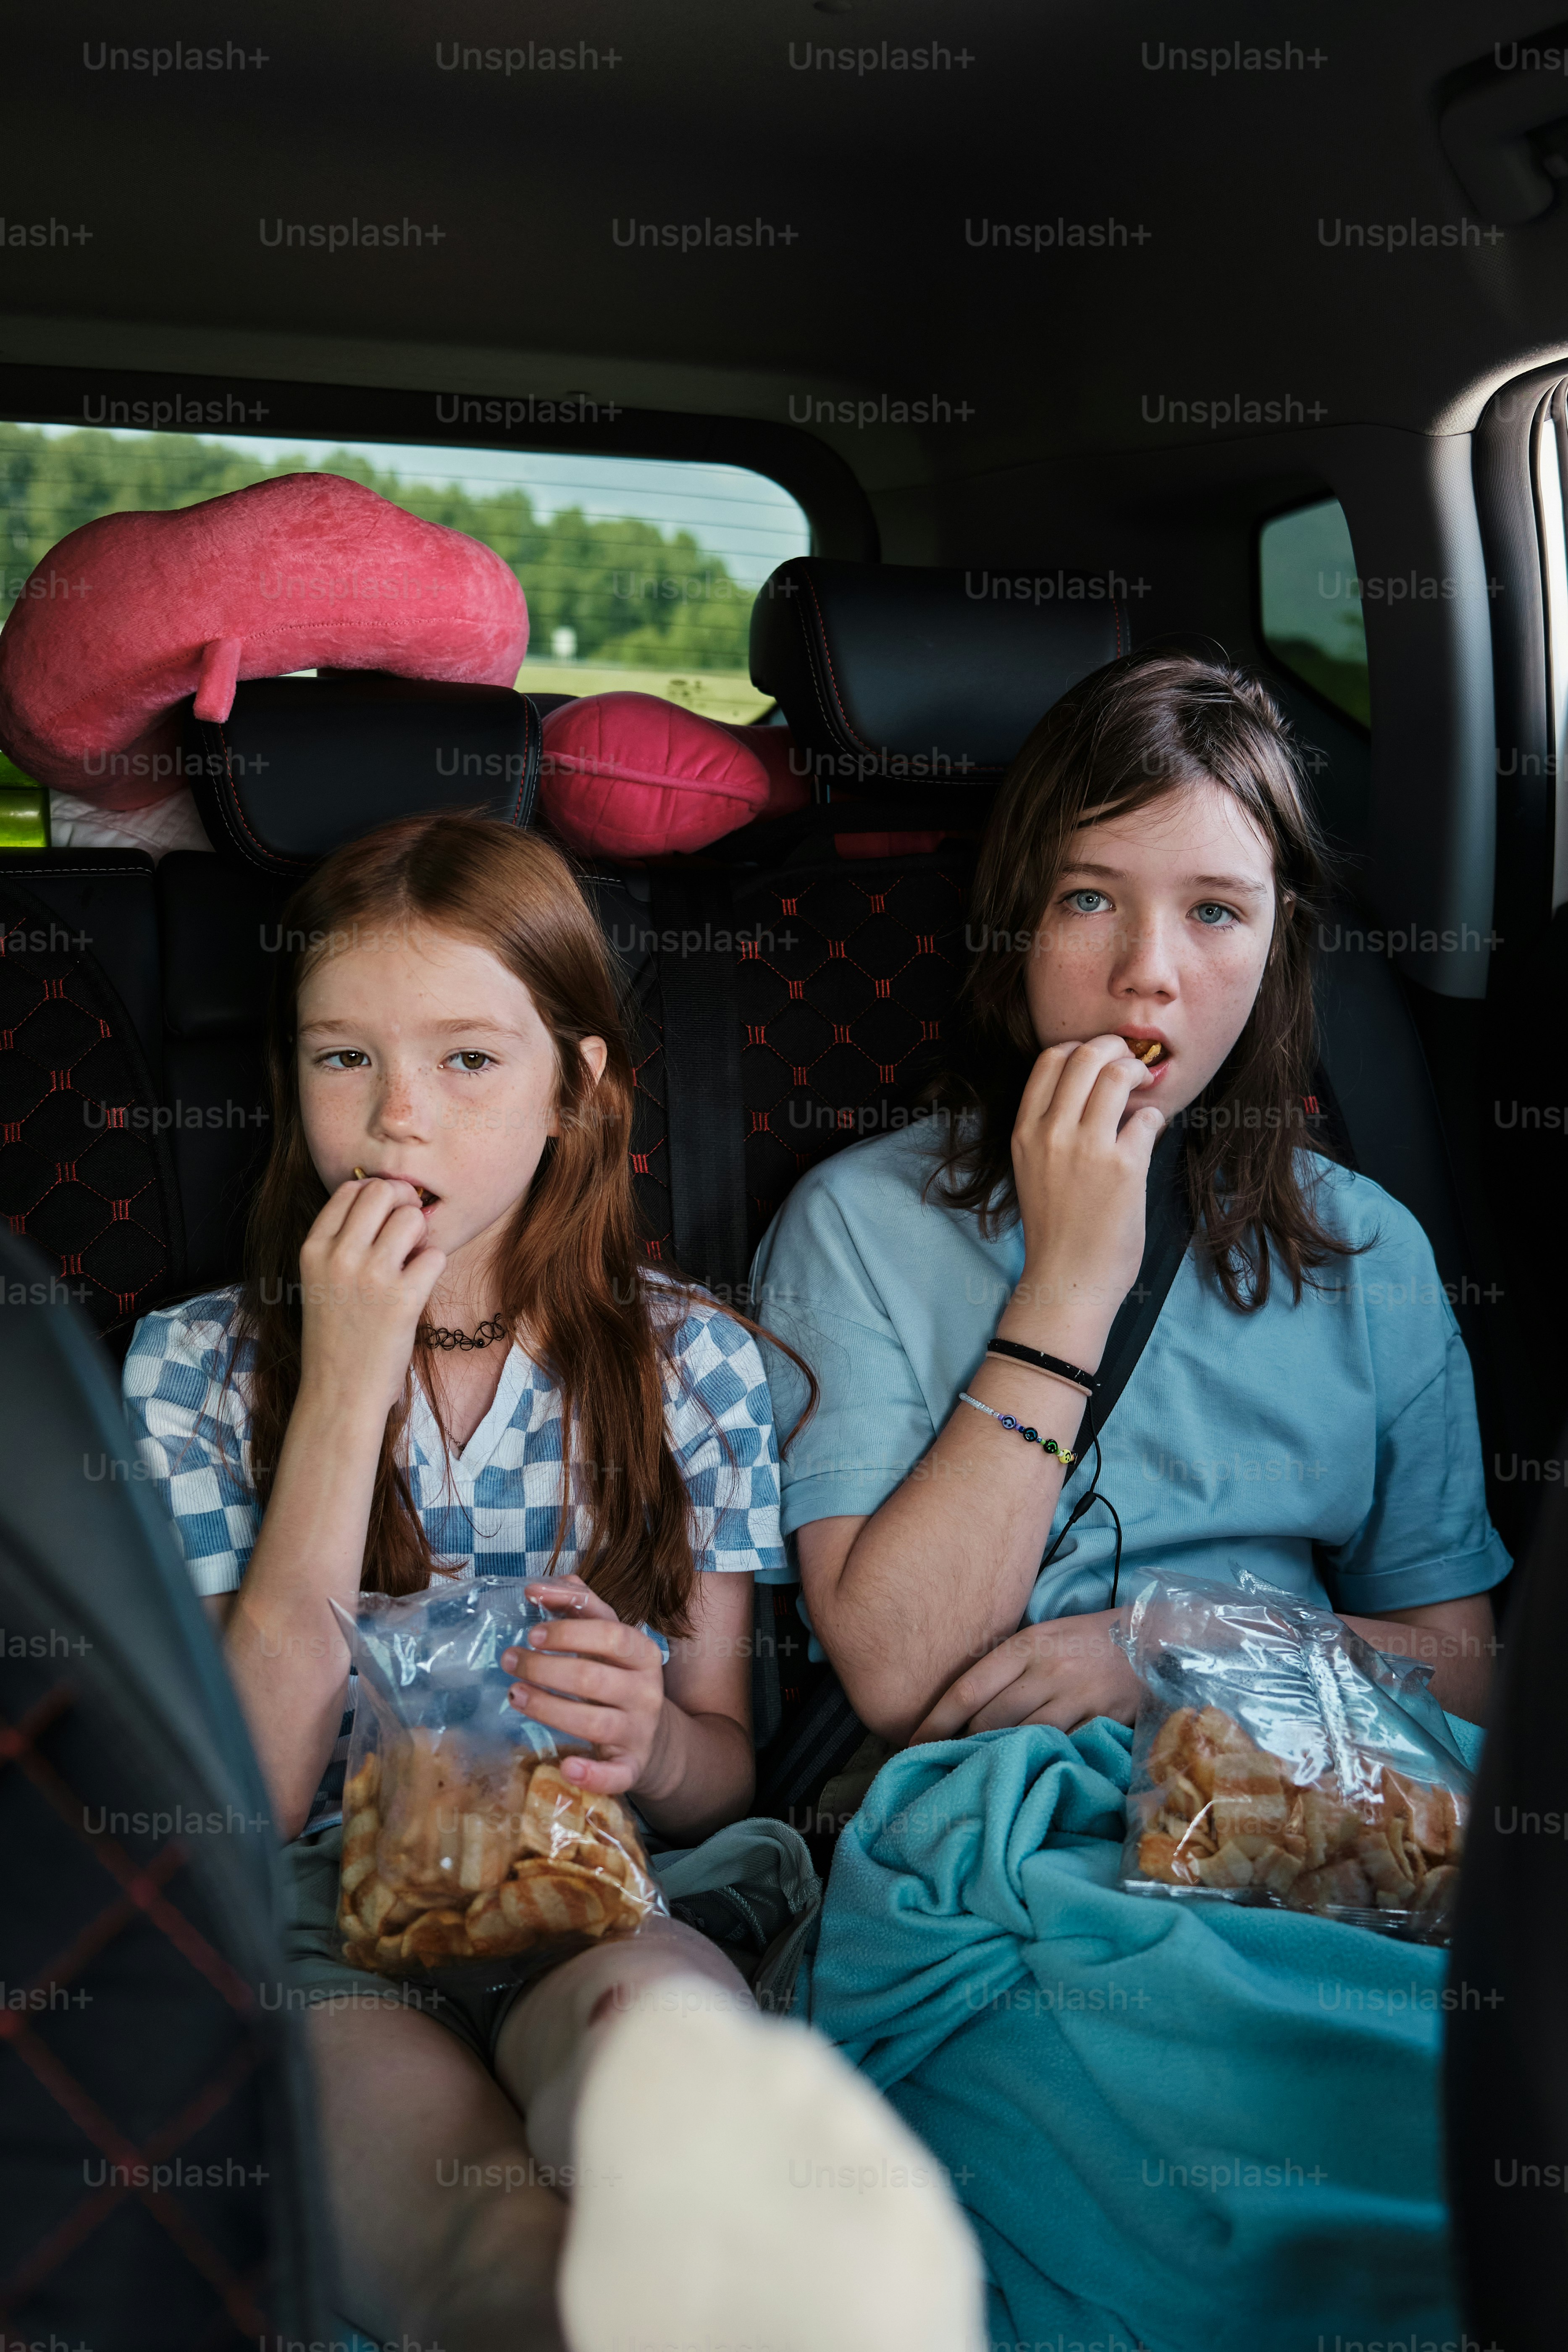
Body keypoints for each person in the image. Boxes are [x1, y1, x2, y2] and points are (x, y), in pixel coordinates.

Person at [123, 812, 983, 2352]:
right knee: (487, 2253)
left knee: (672, 2093)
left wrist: (652, 1741)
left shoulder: (694, 1369)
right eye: (344, 1061)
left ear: (575, 1090)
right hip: (322, 1924)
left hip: (595, 1903)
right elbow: (235, 1804)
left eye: (468, 1061)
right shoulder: (194, 1368)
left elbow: (717, 1778)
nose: (398, 1125)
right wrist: (341, 1393)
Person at [750, 649, 1508, 2350]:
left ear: (1280, 942)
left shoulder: (1366, 1248)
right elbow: (894, 1665)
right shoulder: (857, 1224)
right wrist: (1069, 1278)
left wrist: (1180, 1643)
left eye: (1216, 912)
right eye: (1090, 899)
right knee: (1272, 2204)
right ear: (1018, 918)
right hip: (1026, 1837)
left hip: (1333, 1795)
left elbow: (1463, 1658)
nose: (1147, 976)